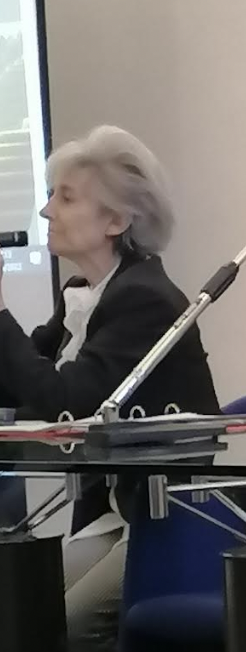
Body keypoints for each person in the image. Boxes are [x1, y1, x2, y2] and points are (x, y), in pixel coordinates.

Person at [0, 125, 219, 650]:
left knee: (60, 626)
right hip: (116, 514)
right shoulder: (85, 292)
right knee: (18, 607)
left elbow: (65, 405)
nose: (47, 211)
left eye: (65, 197)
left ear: (116, 221)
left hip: (170, 520)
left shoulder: (145, 300)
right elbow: (22, 389)